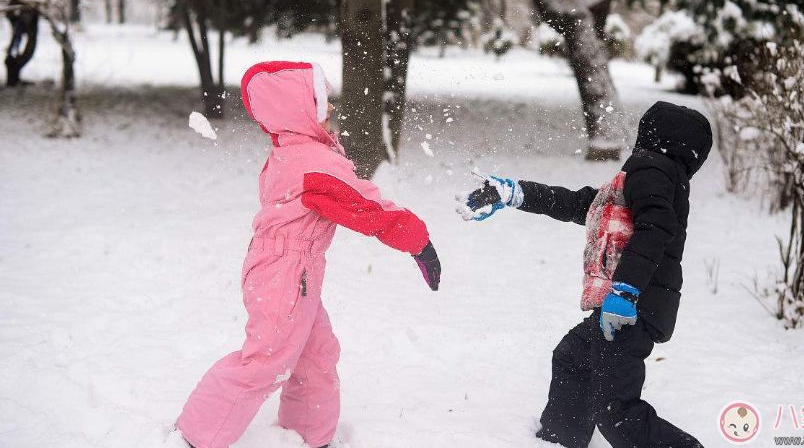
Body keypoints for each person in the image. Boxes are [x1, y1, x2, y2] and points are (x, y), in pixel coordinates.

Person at [177, 61, 441, 448]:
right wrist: (417, 241)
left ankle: (307, 435)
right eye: (321, 100)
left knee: (314, 354)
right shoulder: (313, 162)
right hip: (286, 272)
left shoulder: (293, 147)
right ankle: (194, 438)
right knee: (264, 361)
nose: (330, 108)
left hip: (286, 269)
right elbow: (365, 208)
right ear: (297, 109)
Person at [455, 101, 711, 448]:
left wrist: (625, 291)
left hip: (629, 308)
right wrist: (516, 193)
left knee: (618, 415)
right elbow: (582, 205)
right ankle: (561, 440)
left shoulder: (651, 169)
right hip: (625, 307)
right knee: (572, 358)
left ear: (650, 133)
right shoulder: (646, 179)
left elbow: (655, 228)